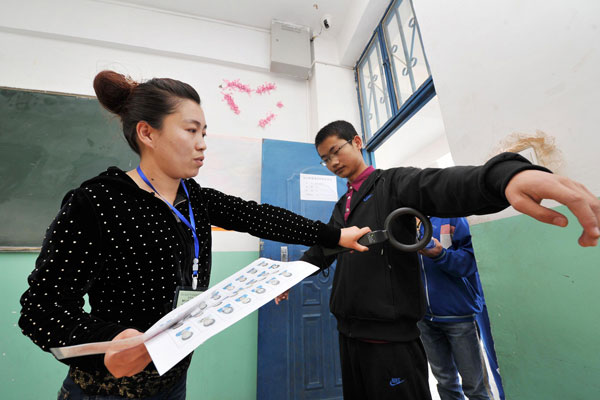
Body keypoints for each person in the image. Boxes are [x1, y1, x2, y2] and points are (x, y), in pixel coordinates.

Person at [18, 72, 371, 400]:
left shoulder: (194, 199)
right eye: (191, 131)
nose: (202, 144)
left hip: (173, 379)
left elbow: (261, 217)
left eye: (204, 133)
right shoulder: (98, 202)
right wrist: (105, 343)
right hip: (107, 390)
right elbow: (40, 309)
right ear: (147, 133)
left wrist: (334, 235)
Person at [276, 120, 599, 400]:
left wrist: (504, 176)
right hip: (349, 329)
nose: (332, 162)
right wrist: (290, 275)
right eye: (324, 159)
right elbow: (326, 247)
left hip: (391, 334)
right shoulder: (343, 203)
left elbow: (441, 185)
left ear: (357, 142)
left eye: (336, 151)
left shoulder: (393, 183)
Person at [418, 216, 491, 400]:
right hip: (424, 320)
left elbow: (469, 262)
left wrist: (441, 255)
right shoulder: (403, 220)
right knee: (445, 383)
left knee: (475, 386)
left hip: (459, 316)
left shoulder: (452, 217)